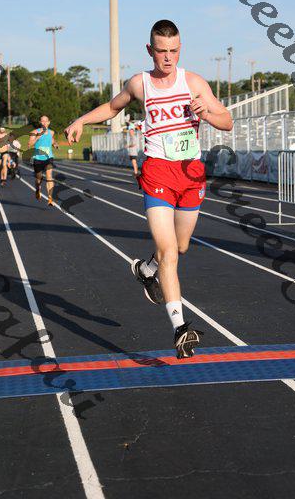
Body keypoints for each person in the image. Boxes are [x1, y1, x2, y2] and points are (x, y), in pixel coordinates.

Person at [65, 19, 233, 359]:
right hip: (157, 172)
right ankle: (180, 329)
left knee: (181, 247)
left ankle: (147, 269)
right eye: (161, 51)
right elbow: (113, 107)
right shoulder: (140, 84)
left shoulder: (194, 83)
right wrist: (81, 119)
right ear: (150, 50)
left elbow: (227, 121)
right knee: (169, 251)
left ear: (180, 49)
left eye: (173, 51)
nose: (168, 58)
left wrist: (207, 114)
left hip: (190, 174)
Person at [28, 115, 58, 206]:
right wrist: (37, 137)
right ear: (40, 122)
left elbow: (52, 140)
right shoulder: (34, 132)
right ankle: (38, 189)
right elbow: (29, 144)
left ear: (49, 122)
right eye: (42, 121)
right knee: (39, 179)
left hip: (48, 157)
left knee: (49, 176)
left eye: (46, 121)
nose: (44, 123)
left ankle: (50, 199)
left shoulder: (51, 132)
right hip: (38, 158)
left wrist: (55, 144)